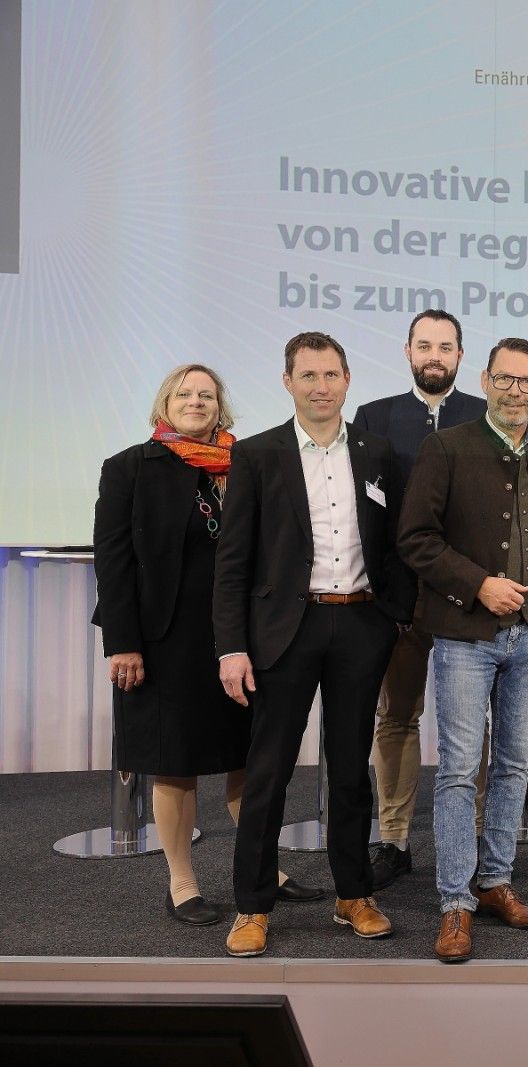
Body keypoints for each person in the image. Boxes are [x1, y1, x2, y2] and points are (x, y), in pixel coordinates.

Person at [92, 365, 319, 925]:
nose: (196, 402)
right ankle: (182, 883)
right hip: (165, 641)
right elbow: (113, 563)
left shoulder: (247, 463)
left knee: (250, 757)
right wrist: (123, 643)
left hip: (244, 638)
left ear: (221, 406)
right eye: (185, 393)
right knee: (175, 763)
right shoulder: (129, 467)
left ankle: (263, 870)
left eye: (207, 395)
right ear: (164, 403)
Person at [216, 332, 414, 957]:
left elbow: (397, 545)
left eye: (331, 375)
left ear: (347, 380)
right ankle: (252, 905)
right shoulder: (257, 454)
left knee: (352, 770)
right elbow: (232, 561)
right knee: (269, 771)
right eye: (308, 376)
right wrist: (231, 647)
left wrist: (394, 617)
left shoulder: (378, 452)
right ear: (288, 382)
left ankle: (354, 894)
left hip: (360, 625)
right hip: (284, 631)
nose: (321, 387)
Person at [398, 337, 528, 962]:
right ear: (484, 381)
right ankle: (455, 903)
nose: (515, 391)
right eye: (505, 379)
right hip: (464, 636)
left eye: (527, 382)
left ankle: (495, 881)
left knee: (512, 764)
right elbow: (416, 538)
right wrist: (478, 583)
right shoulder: (446, 448)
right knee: (459, 769)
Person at [353, 309, 488, 889]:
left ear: (460, 356)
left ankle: (472, 840)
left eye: (445, 346)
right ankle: (394, 839)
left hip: (466, 599)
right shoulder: (374, 417)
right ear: (408, 351)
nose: (435, 356)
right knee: (397, 717)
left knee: (470, 728)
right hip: (399, 601)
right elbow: (368, 516)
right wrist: (386, 593)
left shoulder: (485, 415)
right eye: (425, 345)